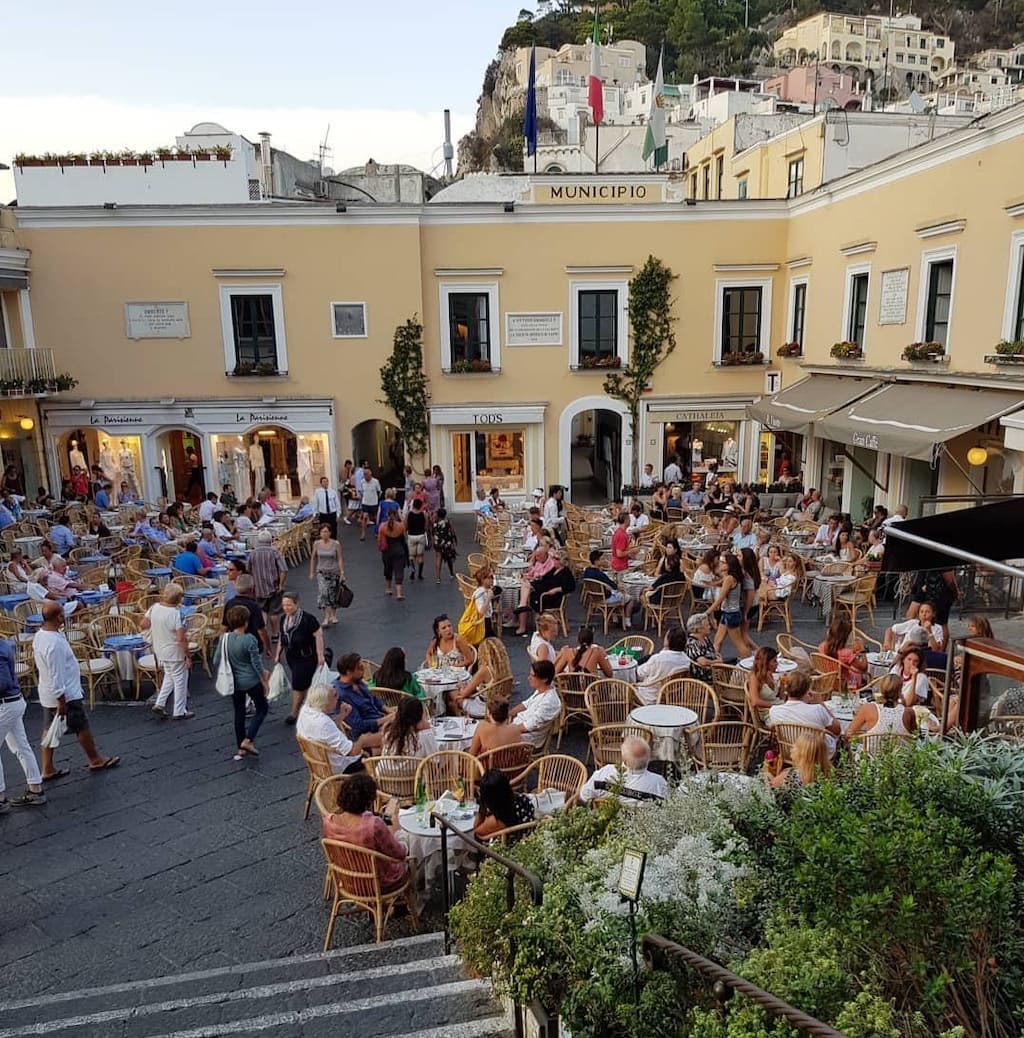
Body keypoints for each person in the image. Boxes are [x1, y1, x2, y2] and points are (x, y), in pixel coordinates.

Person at [33, 601, 120, 775]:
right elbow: (56, 673)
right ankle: (95, 759)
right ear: (59, 617)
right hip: (65, 693)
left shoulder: (41, 636)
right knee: (81, 725)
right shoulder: (54, 644)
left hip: (48, 692)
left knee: (50, 729)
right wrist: (61, 699)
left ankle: (47, 768)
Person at [321, 772, 411, 890]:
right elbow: (400, 854)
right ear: (369, 801)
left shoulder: (329, 821)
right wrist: (397, 830)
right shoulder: (373, 825)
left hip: (347, 880)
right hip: (379, 883)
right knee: (411, 847)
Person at [213, 605, 270, 761]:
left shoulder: (224, 638)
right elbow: (256, 663)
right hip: (251, 681)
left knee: (239, 713)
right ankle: (248, 740)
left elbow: (216, 660)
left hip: (234, 682)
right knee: (262, 709)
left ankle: (240, 748)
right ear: (246, 622)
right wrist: (264, 680)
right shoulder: (249, 639)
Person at [0, 634, 46, 809]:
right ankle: (35, 788)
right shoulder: (5, 644)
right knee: (21, 746)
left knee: (20, 747)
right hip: (14, 702)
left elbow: (1, 683)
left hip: (5, 706)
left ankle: (1, 798)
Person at [140, 583, 193, 720]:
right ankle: (179, 711)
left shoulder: (154, 608)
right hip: (174, 651)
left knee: (169, 676)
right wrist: (187, 656)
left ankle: (160, 703)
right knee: (181, 680)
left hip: (159, 649)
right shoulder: (177, 614)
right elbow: (181, 638)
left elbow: (143, 624)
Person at [297, 684, 374, 773]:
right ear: (325, 703)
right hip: (339, 766)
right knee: (376, 749)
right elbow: (352, 752)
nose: (338, 697)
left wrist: (342, 715)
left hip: (321, 763)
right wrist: (363, 740)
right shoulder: (323, 722)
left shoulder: (306, 710)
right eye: (335, 695)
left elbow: (324, 733)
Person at [768, 671, 840, 757]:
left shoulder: (774, 711)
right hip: (818, 754)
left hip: (791, 751)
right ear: (807, 690)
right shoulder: (817, 709)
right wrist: (821, 703)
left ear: (786, 691)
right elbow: (837, 730)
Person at [279, 592, 324, 725]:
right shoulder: (283, 619)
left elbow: (319, 635)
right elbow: (283, 638)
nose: (286, 608)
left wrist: (320, 655)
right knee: (304, 683)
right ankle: (308, 705)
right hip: (292, 657)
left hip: (306, 657)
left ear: (296, 604)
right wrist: (278, 654)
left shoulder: (307, 619)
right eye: (284, 605)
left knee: (298, 684)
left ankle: (294, 712)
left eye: (289, 605)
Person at [580, 736, 667, 805]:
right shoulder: (659, 784)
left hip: (605, 823)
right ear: (648, 759)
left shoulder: (604, 774)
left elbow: (584, 797)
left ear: (623, 758)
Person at [334, 652, 391, 749]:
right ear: (348, 672)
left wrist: (387, 710)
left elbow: (373, 698)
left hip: (380, 718)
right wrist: (385, 719)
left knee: (414, 709)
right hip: (369, 732)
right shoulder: (342, 695)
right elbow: (358, 726)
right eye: (360, 668)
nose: (364, 670)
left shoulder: (357, 681)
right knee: (408, 731)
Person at [846, 674, 916, 743]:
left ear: (881, 688)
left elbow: (849, 734)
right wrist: (902, 700)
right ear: (900, 691)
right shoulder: (909, 712)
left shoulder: (868, 708)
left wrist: (863, 737)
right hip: (900, 754)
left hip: (870, 754)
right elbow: (915, 736)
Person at [705, 553, 750, 660]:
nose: (720, 564)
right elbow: (721, 583)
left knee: (739, 644)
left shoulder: (729, 578)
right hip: (728, 613)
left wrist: (707, 612)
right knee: (718, 641)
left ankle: (748, 664)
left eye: (723, 562)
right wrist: (711, 584)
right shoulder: (730, 577)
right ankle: (714, 663)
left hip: (731, 614)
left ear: (729, 565)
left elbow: (720, 598)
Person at [510, 659, 561, 749]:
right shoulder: (541, 690)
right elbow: (525, 704)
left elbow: (530, 725)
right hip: (517, 728)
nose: (528, 678)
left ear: (544, 679)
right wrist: (507, 714)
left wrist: (506, 730)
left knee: (486, 735)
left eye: (532, 676)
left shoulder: (548, 702)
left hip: (527, 741)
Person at [635, 627, 691, 706]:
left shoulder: (658, 658)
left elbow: (639, 673)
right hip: (672, 696)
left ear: (668, 641)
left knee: (627, 685)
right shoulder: (686, 659)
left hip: (650, 696)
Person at [474, 768, 535, 840]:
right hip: (528, 838)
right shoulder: (523, 800)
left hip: (507, 846)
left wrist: (482, 807)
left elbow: (477, 831)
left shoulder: (500, 819)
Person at [249, 530, 288, 641]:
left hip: (258, 587)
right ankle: (275, 634)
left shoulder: (253, 553)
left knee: (262, 610)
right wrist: (281, 585)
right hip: (273, 586)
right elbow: (284, 570)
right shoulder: (274, 552)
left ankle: (262, 633)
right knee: (274, 611)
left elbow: (249, 570)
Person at [581, 549, 633, 630]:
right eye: (602, 559)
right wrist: (621, 587)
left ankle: (615, 619)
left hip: (593, 597)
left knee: (614, 592)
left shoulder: (587, 571)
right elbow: (614, 586)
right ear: (596, 561)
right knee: (630, 598)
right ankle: (627, 620)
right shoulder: (600, 574)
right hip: (605, 598)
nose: (604, 560)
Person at [223, 574, 271, 655]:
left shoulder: (230, 604)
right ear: (252, 589)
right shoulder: (254, 606)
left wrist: (223, 644)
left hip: (235, 644)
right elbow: (261, 630)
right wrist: (268, 647)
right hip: (253, 644)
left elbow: (224, 627)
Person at [818, 615, 868, 690]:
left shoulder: (822, 646)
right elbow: (863, 668)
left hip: (827, 680)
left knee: (854, 672)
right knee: (860, 675)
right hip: (845, 684)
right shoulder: (846, 653)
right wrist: (862, 650)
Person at [309, 523, 345, 627]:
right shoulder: (316, 544)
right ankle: (326, 616)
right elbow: (313, 558)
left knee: (333, 593)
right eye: (322, 532)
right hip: (321, 572)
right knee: (323, 593)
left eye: (326, 531)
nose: (324, 534)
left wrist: (342, 572)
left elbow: (339, 558)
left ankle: (333, 615)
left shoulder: (336, 544)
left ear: (330, 533)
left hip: (333, 571)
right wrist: (311, 572)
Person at [746, 646, 782, 724]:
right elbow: (755, 701)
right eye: (774, 661)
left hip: (779, 707)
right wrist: (774, 707)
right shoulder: (755, 678)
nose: (777, 664)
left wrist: (783, 687)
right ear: (766, 662)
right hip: (768, 713)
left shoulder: (770, 675)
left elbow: (777, 697)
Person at [684, 613, 720, 683]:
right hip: (702, 674)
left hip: (714, 668)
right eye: (707, 625)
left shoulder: (705, 639)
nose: (709, 627)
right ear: (698, 629)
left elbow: (713, 651)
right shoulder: (692, 643)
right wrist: (717, 662)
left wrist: (717, 656)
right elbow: (703, 662)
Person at [405, 497, 428, 581]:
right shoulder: (424, 514)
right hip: (421, 535)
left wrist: (406, 534)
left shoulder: (409, 514)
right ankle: (420, 574)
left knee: (411, 555)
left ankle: (413, 569)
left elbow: (405, 526)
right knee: (420, 555)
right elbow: (426, 526)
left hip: (411, 535)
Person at [432, 507, 458, 582]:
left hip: (438, 543)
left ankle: (438, 578)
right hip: (447, 542)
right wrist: (454, 540)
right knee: (449, 558)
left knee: (438, 558)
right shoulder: (447, 522)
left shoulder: (435, 523)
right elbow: (452, 531)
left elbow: (433, 533)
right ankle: (451, 573)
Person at [358, 464, 381, 541]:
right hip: (365, 502)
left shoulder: (375, 481)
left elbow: (379, 491)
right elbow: (361, 492)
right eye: (364, 474)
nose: (365, 476)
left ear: (370, 474)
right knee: (364, 517)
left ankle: (376, 532)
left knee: (375, 518)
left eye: (367, 474)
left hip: (374, 503)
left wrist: (376, 499)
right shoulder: (362, 482)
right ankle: (363, 534)